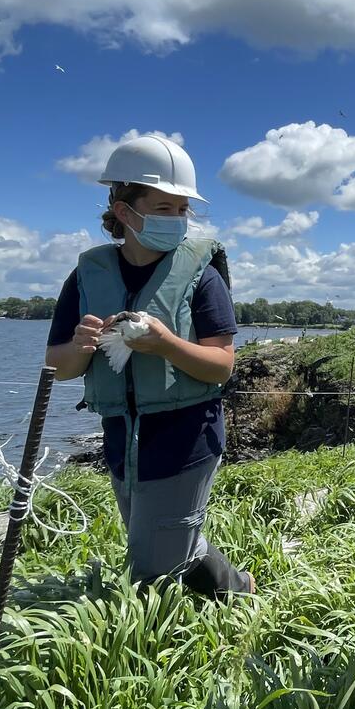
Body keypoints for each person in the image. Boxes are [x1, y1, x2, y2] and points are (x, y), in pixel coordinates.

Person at [44, 133, 253, 598]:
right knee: (165, 540)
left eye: (182, 210)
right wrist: (82, 345)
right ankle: (235, 589)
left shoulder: (203, 276)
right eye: (164, 209)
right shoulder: (86, 277)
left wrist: (165, 344)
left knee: (153, 561)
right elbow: (57, 368)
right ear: (124, 212)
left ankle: (171, 629)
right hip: (121, 437)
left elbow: (221, 367)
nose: (178, 220)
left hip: (187, 433)